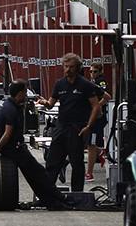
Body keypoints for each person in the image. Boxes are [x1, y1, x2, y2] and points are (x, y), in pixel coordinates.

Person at [0, 79, 70, 210]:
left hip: (11, 148)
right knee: (39, 174)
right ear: (20, 93)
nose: (26, 96)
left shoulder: (4, 106)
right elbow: (7, 133)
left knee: (33, 177)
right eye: (25, 92)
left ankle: (49, 201)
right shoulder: (11, 110)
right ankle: (60, 199)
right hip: (15, 149)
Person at [37, 53, 103, 191]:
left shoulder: (85, 85)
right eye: (66, 66)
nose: (68, 69)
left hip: (77, 128)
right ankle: (47, 193)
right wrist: (44, 102)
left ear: (78, 68)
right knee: (52, 161)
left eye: (71, 67)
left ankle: (77, 194)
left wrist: (88, 126)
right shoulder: (59, 84)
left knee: (77, 163)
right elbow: (50, 104)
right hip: (61, 126)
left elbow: (96, 106)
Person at [85, 61, 111, 181]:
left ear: (100, 72)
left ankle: (89, 173)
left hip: (97, 118)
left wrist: (97, 107)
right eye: (91, 71)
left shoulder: (100, 82)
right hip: (91, 117)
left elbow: (106, 97)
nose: (92, 73)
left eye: (95, 71)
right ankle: (101, 152)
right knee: (89, 142)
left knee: (91, 144)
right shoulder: (91, 82)